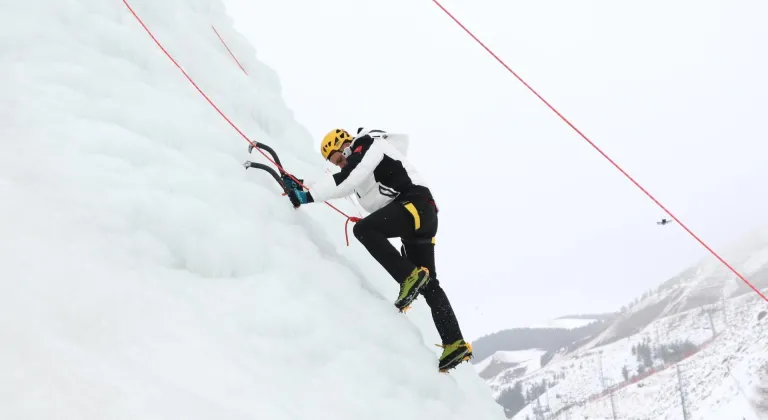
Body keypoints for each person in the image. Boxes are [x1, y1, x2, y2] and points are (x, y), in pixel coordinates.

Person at [284, 127, 473, 372]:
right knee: (429, 285)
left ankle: (408, 276)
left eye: (340, 158)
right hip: (420, 216)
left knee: (364, 230)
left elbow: (348, 178)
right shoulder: (360, 171)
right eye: (336, 162)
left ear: (346, 145)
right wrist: (302, 184)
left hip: (415, 204)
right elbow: (341, 183)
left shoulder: (368, 143)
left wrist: (307, 198)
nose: (341, 164)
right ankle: (454, 343)